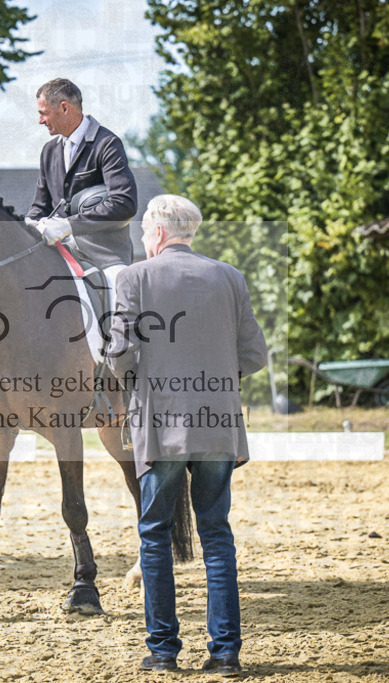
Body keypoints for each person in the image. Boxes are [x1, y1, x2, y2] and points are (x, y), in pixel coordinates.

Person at [107, 195, 267, 674]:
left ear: (157, 231)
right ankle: (226, 652)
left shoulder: (134, 277)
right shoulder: (230, 276)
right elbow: (254, 356)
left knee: (154, 534)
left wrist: (136, 378)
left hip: (161, 426)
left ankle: (163, 650)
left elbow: (120, 354)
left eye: (143, 231)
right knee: (216, 533)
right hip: (219, 424)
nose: (142, 239)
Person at [26, 78, 137, 300]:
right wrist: (26, 226)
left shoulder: (107, 144)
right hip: (58, 254)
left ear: (64, 108)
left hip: (105, 256)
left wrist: (68, 225)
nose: (40, 120)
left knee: (121, 301)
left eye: (44, 113)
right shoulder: (49, 151)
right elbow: (39, 207)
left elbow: (124, 203)